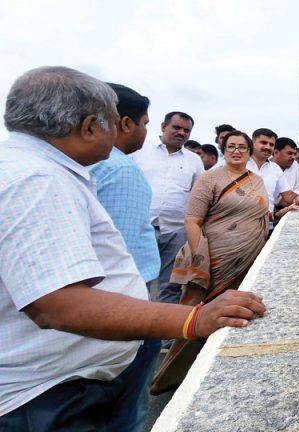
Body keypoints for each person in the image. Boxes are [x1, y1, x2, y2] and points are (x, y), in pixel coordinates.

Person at [0, 66, 266, 431]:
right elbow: (57, 303)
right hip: (46, 396)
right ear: (91, 126)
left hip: (57, 386)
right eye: (114, 122)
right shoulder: (38, 179)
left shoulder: (32, 168)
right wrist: (194, 319)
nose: (124, 132)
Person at [152, 131, 270, 391]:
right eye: (231, 147)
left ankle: (217, 372)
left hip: (247, 259)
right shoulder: (209, 179)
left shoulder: (257, 180)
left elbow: (262, 214)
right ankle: (171, 377)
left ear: (249, 152)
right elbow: (192, 221)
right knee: (197, 314)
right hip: (214, 258)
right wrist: (200, 257)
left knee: (234, 314)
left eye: (242, 147)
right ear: (224, 150)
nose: (236, 151)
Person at [88, 83, 160, 432]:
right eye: (146, 123)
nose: (146, 131)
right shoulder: (120, 170)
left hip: (93, 308)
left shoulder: (85, 166)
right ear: (127, 124)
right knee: (128, 404)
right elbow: (119, 255)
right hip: (122, 304)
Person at [132, 111, 204, 306]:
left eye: (186, 130)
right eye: (176, 127)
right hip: (141, 227)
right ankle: (138, 328)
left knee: (171, 284)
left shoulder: (194, 160)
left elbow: (198, 196)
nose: (181, 133)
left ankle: (164, 332)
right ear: (164, 127)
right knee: (138, 281)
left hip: (176, 231)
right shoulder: (140, 150)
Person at [246, 128, 299, 223]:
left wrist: (297, 198)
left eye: (271, 144)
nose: (268, 147)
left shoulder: (275, 169)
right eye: (263, 142)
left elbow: (288, 195)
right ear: (252, 142)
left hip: (266, 224)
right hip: (239, 226)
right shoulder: (240, 165)